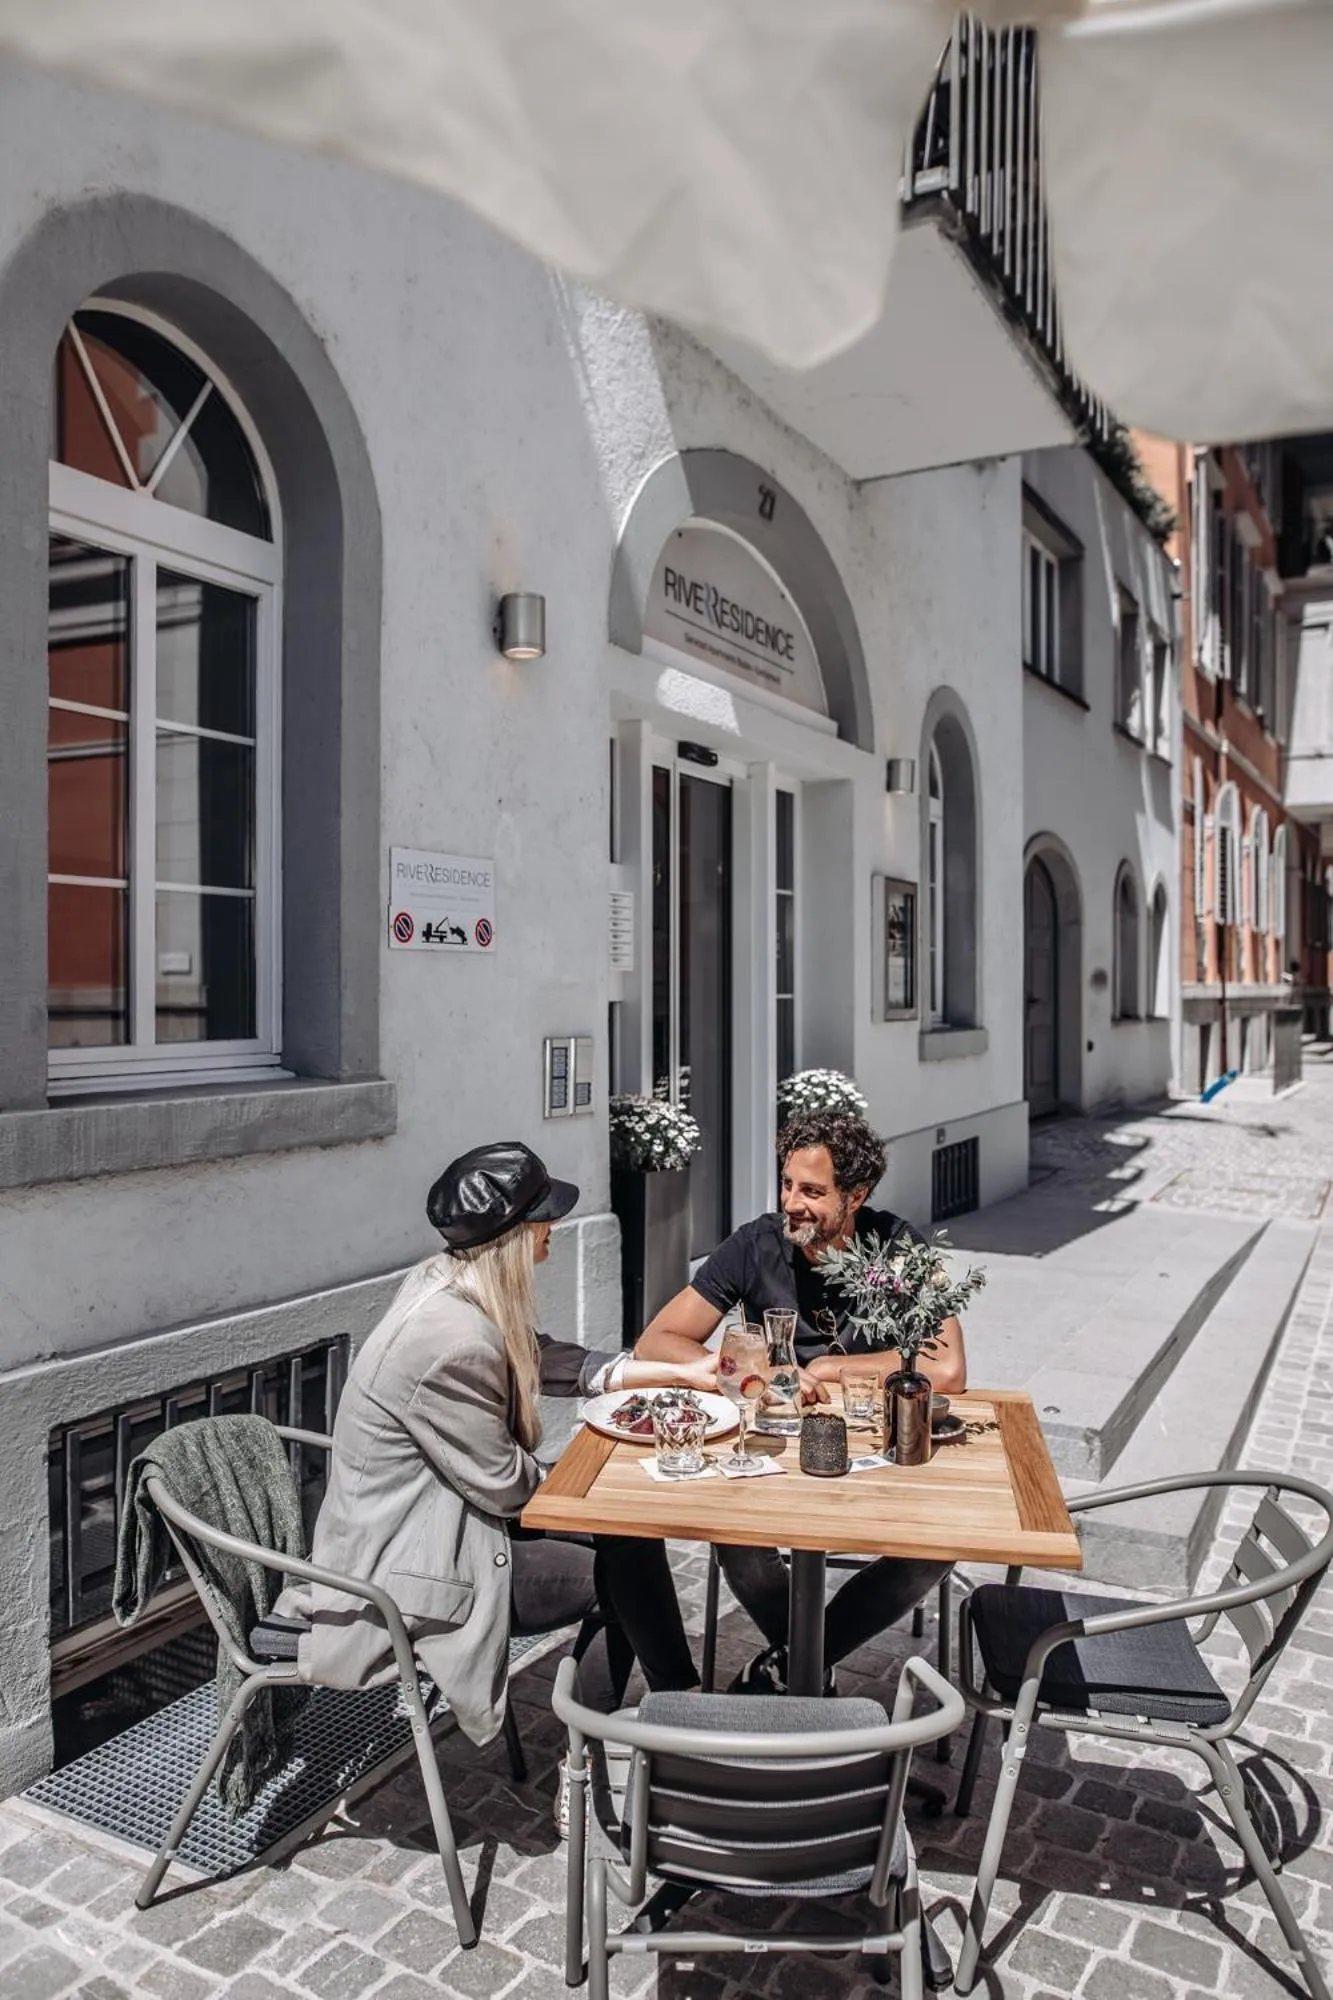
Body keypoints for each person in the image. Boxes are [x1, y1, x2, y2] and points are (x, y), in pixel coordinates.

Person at [285, 1140, 700, 1775]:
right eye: (544, 1219)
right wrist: (592, 1484)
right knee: (618, 1581)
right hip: (410, 1567)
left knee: (631, 1538)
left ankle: (682, 1704)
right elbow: (508, 1487)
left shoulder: (449, 1283)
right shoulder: (450, 1343)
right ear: (512, 1236)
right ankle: (589, 1772)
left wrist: (641, 1376)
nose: (553, 1230)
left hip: (448, 1523)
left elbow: (533, 1354)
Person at [636, 1109, 967, 1693]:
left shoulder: (897, 1246)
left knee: (933, 1552)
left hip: (871, 1457)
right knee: (738, 1541)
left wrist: (831, 1366)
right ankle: (808, 1668)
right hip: (776, 1452)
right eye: (787, 1184)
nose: (792, 1202)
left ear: (855, 1195)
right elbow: (656, 1341)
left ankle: (794, 1666)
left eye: (813, 1191)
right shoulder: (755, 1245)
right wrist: (759, 1366)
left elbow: (947, 1368)